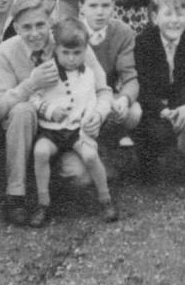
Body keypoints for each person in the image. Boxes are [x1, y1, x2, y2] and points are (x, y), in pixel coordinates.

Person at [0, 0, 111, 226]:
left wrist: (99, 114)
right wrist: (31, 84)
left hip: (67, 130)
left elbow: (103, 90)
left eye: (40, 25)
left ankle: (45, 177)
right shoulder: (6, 51)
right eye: (26, 27)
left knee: (79, 177)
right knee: (23, 110)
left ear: (50, 22)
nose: (34, 33)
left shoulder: (69, 42)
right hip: (24, 130)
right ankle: (16, 194)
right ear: (15, 27)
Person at [27, 18, 118, 227]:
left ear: (85, 50)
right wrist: (49, 110)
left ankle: (105, 200)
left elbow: (92, 101)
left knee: (90, 155)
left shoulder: (88, 73)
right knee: (40, 152)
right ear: (56, 49)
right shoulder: (45, 71)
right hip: (51, 130)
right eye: (65, 53)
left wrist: (89, 122)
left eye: (76, 53)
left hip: (77, 130)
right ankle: (43, 204)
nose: (70, 59)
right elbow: (33, 97)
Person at [133, 0, 185, 185]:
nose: (174, 20)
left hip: (181, 97)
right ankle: (148, 160)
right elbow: (142, 85)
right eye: (168, 14)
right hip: (156, 102)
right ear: (154, 17)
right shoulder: (144, 42)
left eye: (180, 14)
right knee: (154, 129)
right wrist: (163, 112)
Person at [76, 0, 142, 146]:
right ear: (81, 7)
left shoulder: (122, 31)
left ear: (113, 6)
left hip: (109, 94)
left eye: (105, 5)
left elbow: (130, 77)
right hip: (77, 96)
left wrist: (124, 99)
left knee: (134, 112)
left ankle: (111, 149)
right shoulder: (71, 31)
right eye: (93, 5)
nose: (100, 12)